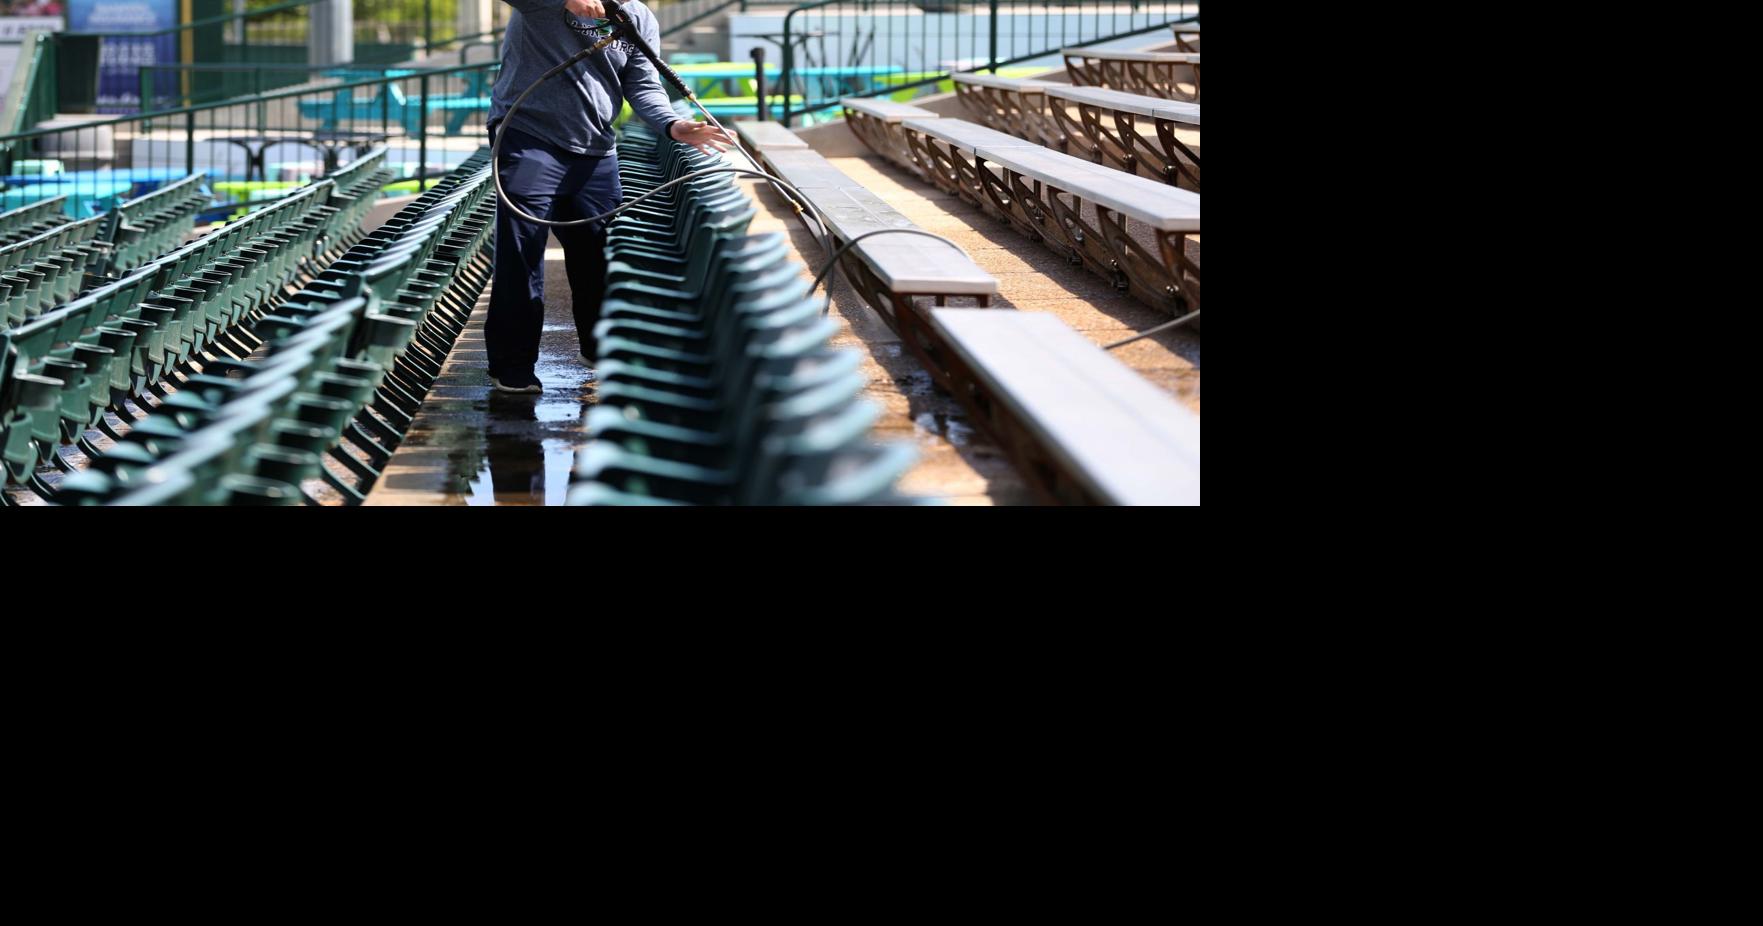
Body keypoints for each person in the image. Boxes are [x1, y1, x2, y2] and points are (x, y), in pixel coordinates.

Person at [487, 0, 733, 394]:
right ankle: (512, 364)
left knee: (597, 252)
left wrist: (673, 124)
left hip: (596, 147)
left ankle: (597, 347)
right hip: (528, 137)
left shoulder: (636, 17)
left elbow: (643, 83)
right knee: (521, 252)